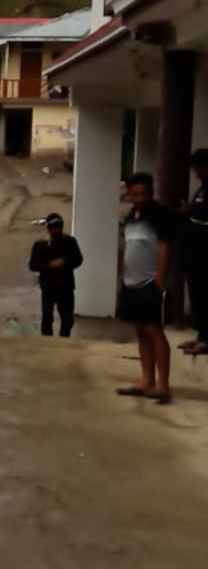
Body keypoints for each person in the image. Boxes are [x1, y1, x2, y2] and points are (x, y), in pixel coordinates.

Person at [116, 172, 176, 404]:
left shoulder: (158, 216)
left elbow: (164, 247)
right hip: (131, 282)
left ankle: (163, 384)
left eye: (144, 194)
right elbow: (125, 246)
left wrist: (159, 280)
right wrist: (120, 275)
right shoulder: (131, 217)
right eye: (136, 194)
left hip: (149, 282)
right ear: (130, 195)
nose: (140, 198)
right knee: (140, 331)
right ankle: (146, 380)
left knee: (154, 330)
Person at [28, 213, 83, 337]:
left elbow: (78, 260)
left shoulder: (70, 242)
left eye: (58, 227)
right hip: (48, 286)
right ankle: (47, 345)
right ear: (48, 228)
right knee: (47, 318)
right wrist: (49, 265)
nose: (56, 230)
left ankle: (64, 340)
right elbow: (33, 265)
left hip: (66, 286)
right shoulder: (40, 245)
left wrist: (65, 263)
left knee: (67, 318)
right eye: (53, 227)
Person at [179, 149, 208, 355]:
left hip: (205, 251)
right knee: (197, 294)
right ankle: (201, 335)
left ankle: (207, 338)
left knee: (205, 295)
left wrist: (190, 212)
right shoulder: (202, 189)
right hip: (195, 250)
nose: (196, 173)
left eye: (198, 169)